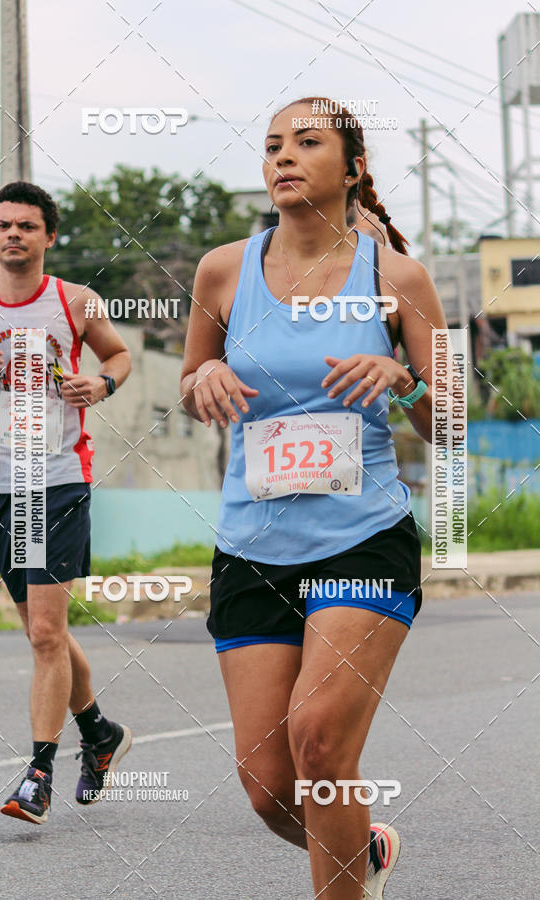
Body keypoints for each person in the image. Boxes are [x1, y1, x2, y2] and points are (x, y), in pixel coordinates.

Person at [181, 98, 446, 898]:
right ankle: (359, 844)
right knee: (268, 787)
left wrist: (405, 379)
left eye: (306, 142)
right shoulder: (222, 270)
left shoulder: (396, 276)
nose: (283, 157)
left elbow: (455, 420)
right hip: (252, 547)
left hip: (363, 538)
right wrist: (206, 377)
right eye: (271, 146)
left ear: (353, 168)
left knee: (321, 747)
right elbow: (192, 386)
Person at [0, 181, 133, 825]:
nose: (14, 235)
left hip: (57, 480)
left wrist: (100, 382)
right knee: (38, 631)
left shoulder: (75, 302)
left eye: (27, 226)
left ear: (49, 236)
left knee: (47, 632)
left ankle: (39, 774)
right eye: (4, 225)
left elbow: (121, 354)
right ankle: (100, 733)